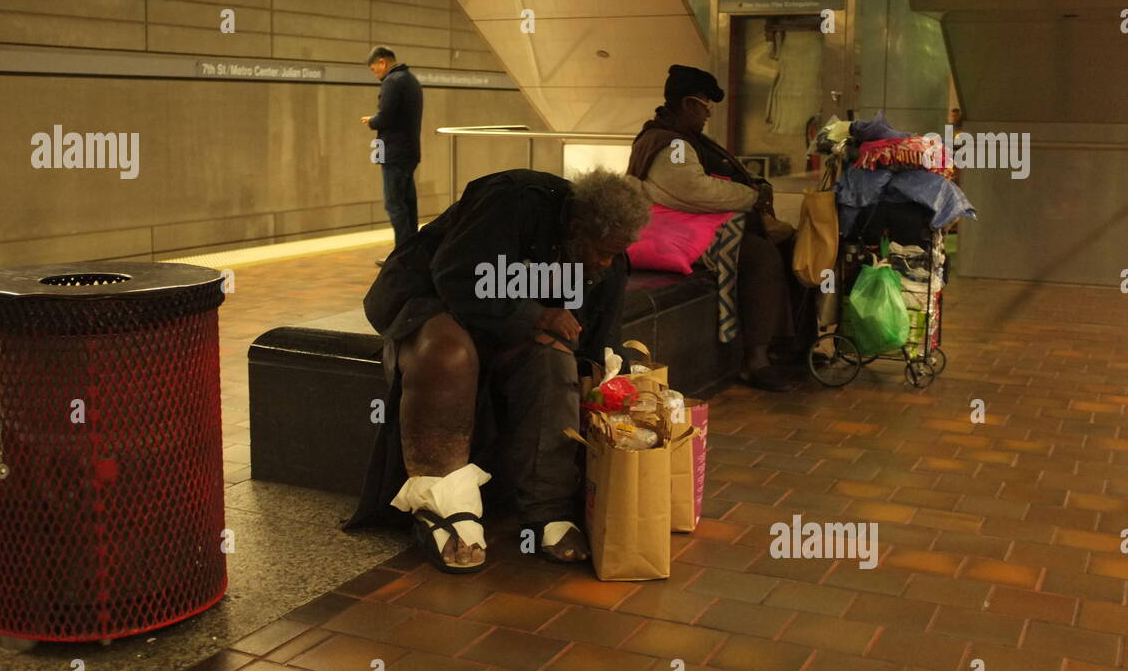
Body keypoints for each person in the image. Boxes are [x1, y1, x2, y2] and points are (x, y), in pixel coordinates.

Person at [344, 168, 651, 572]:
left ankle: (548, 507)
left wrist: (602, 388)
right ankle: (443, 503)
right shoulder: (512, 202)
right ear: (577, 228)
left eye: (617, 254)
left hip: (501, 319)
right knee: (449, 355)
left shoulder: (606, 255)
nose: (607, 263)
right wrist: (536, 315)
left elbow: (599, 342)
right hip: (429, 298)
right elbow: (457, 277)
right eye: (603, 252)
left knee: (554, 356)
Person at [627, 64, 812, 392]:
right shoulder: (673, 145)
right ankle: (755, 359)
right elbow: (695, 191)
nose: (708, 115)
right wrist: (750, 195)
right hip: (678, 236)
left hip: (691, 228)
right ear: (687, 104)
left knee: (787, 244)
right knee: (761, 256)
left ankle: (785, 343)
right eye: (705, 106)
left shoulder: (677, 138)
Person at [360, 46, 423, 267]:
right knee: (407, 203)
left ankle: (402, 256)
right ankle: (413, 253)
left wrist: (372, 121)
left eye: (373, 68)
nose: (374, 72)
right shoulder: (411, 80)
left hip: (394, 153)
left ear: (383, 62)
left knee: (394, 203)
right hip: (409, 151)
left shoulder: (392, 82)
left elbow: (385, 117)